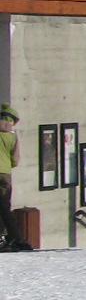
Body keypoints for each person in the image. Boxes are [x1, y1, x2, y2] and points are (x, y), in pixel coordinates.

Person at [0, 104, 22, 251]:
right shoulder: (12, 136)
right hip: (5, 174)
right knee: (4, 206)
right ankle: (14, 236)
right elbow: (15, 159)